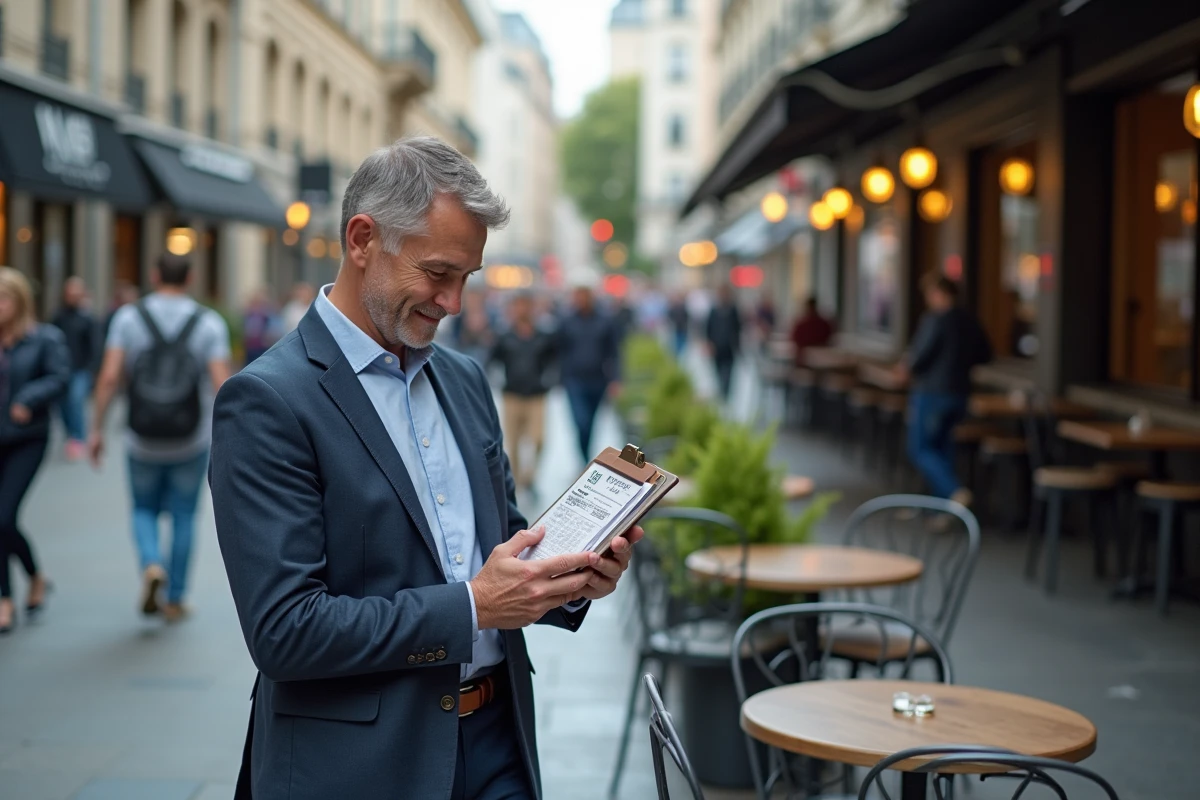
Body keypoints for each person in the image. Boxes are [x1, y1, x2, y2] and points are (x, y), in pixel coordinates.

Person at [208, 137, 642, 800]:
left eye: (467, 278)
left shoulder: (462, 378)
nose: (455, 302)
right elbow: (285, 631)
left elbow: (502, 546)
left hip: (499, 743)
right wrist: (473, 605)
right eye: (439, 273)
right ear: (362, 239)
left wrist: (571, 578)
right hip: (360, 767)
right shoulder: (267, 401)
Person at [90, 254, 233, 622]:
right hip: (191, 437)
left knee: (142, 508)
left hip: (142, 437)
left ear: (154, 275)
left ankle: (152, 563)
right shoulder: (208, 323)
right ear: (192, 277)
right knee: (185, 515)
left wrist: (95, 429)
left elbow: (108, 378)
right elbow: (222, 385)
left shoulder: (128, 318)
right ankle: (176, 597)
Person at [0, 267, 70, 634]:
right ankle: (14, 592)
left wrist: (28, 398)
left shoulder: (44, 339)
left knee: (3, 517)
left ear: (19, 301)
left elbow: (60, 378)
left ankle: (23, 586)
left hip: (27, 437)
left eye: (4, 298)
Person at [898, 273, 992, 506]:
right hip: (960, 393)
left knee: (920, 448)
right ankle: (941, 511)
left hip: (932, 393)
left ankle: (953, 491)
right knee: (943, 450)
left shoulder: (935, 320)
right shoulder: (970, 320)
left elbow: (920, 356)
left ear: (938, 293)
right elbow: (986, 353)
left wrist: (905, 369)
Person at [489, 293, 557, 496]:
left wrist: (550, 380)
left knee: (538, 439)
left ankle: (530, 475)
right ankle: (517, 481)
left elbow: (554, 360)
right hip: (512, 394)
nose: (522, 310)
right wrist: (495, 380)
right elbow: (491, 360)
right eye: (518, 306)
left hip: (537, 395)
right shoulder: (504, 335)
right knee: (514, 441)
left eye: (526, 305)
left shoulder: (543, 335)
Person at [558, 285, 620, 464]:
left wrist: (616, 379)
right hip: (574, 380)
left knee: (591, 423)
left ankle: (586, 456)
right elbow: (559, 349)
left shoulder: (605, 320)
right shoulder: (567, 321)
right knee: (581, 421)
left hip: (597, 380)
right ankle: (584, 459)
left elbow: (614, 352)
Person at [51, 277, 100, 460]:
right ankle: (71, 434)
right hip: (61, 369)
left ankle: (77, 437)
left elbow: (95, 345)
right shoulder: (58, 316)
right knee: (62, 404)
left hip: (80, 369)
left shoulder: (87, 318)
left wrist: (92, 368)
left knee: (75, 400)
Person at [705, 284, 743, 401]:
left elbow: (738, 328)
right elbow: (708, 328)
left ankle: (725, 392)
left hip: (729, 347)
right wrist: (709, 343)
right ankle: (721, 390)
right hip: (717, 347)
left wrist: (738, 346)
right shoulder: (714, 310)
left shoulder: (733, 310)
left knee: (728, 372)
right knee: (718, 370)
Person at [789, 296, 834, 365]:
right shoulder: (824, 323)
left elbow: (794, 339)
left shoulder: (801, 324)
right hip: (822, 359)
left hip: (805, 360)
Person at [241, 290, 280, 365]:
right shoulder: (249, 314)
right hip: (250, 348)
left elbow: (273, 331)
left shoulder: (268, 315)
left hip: (262, 347)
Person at [667, 292, 689, 357]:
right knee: (677, 341)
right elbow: (670, 317)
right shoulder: (673, 308)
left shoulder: (683, 308)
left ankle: (679, 353)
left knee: (682, 341)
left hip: (683, 328)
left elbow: (687, 317)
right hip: (676, 328)